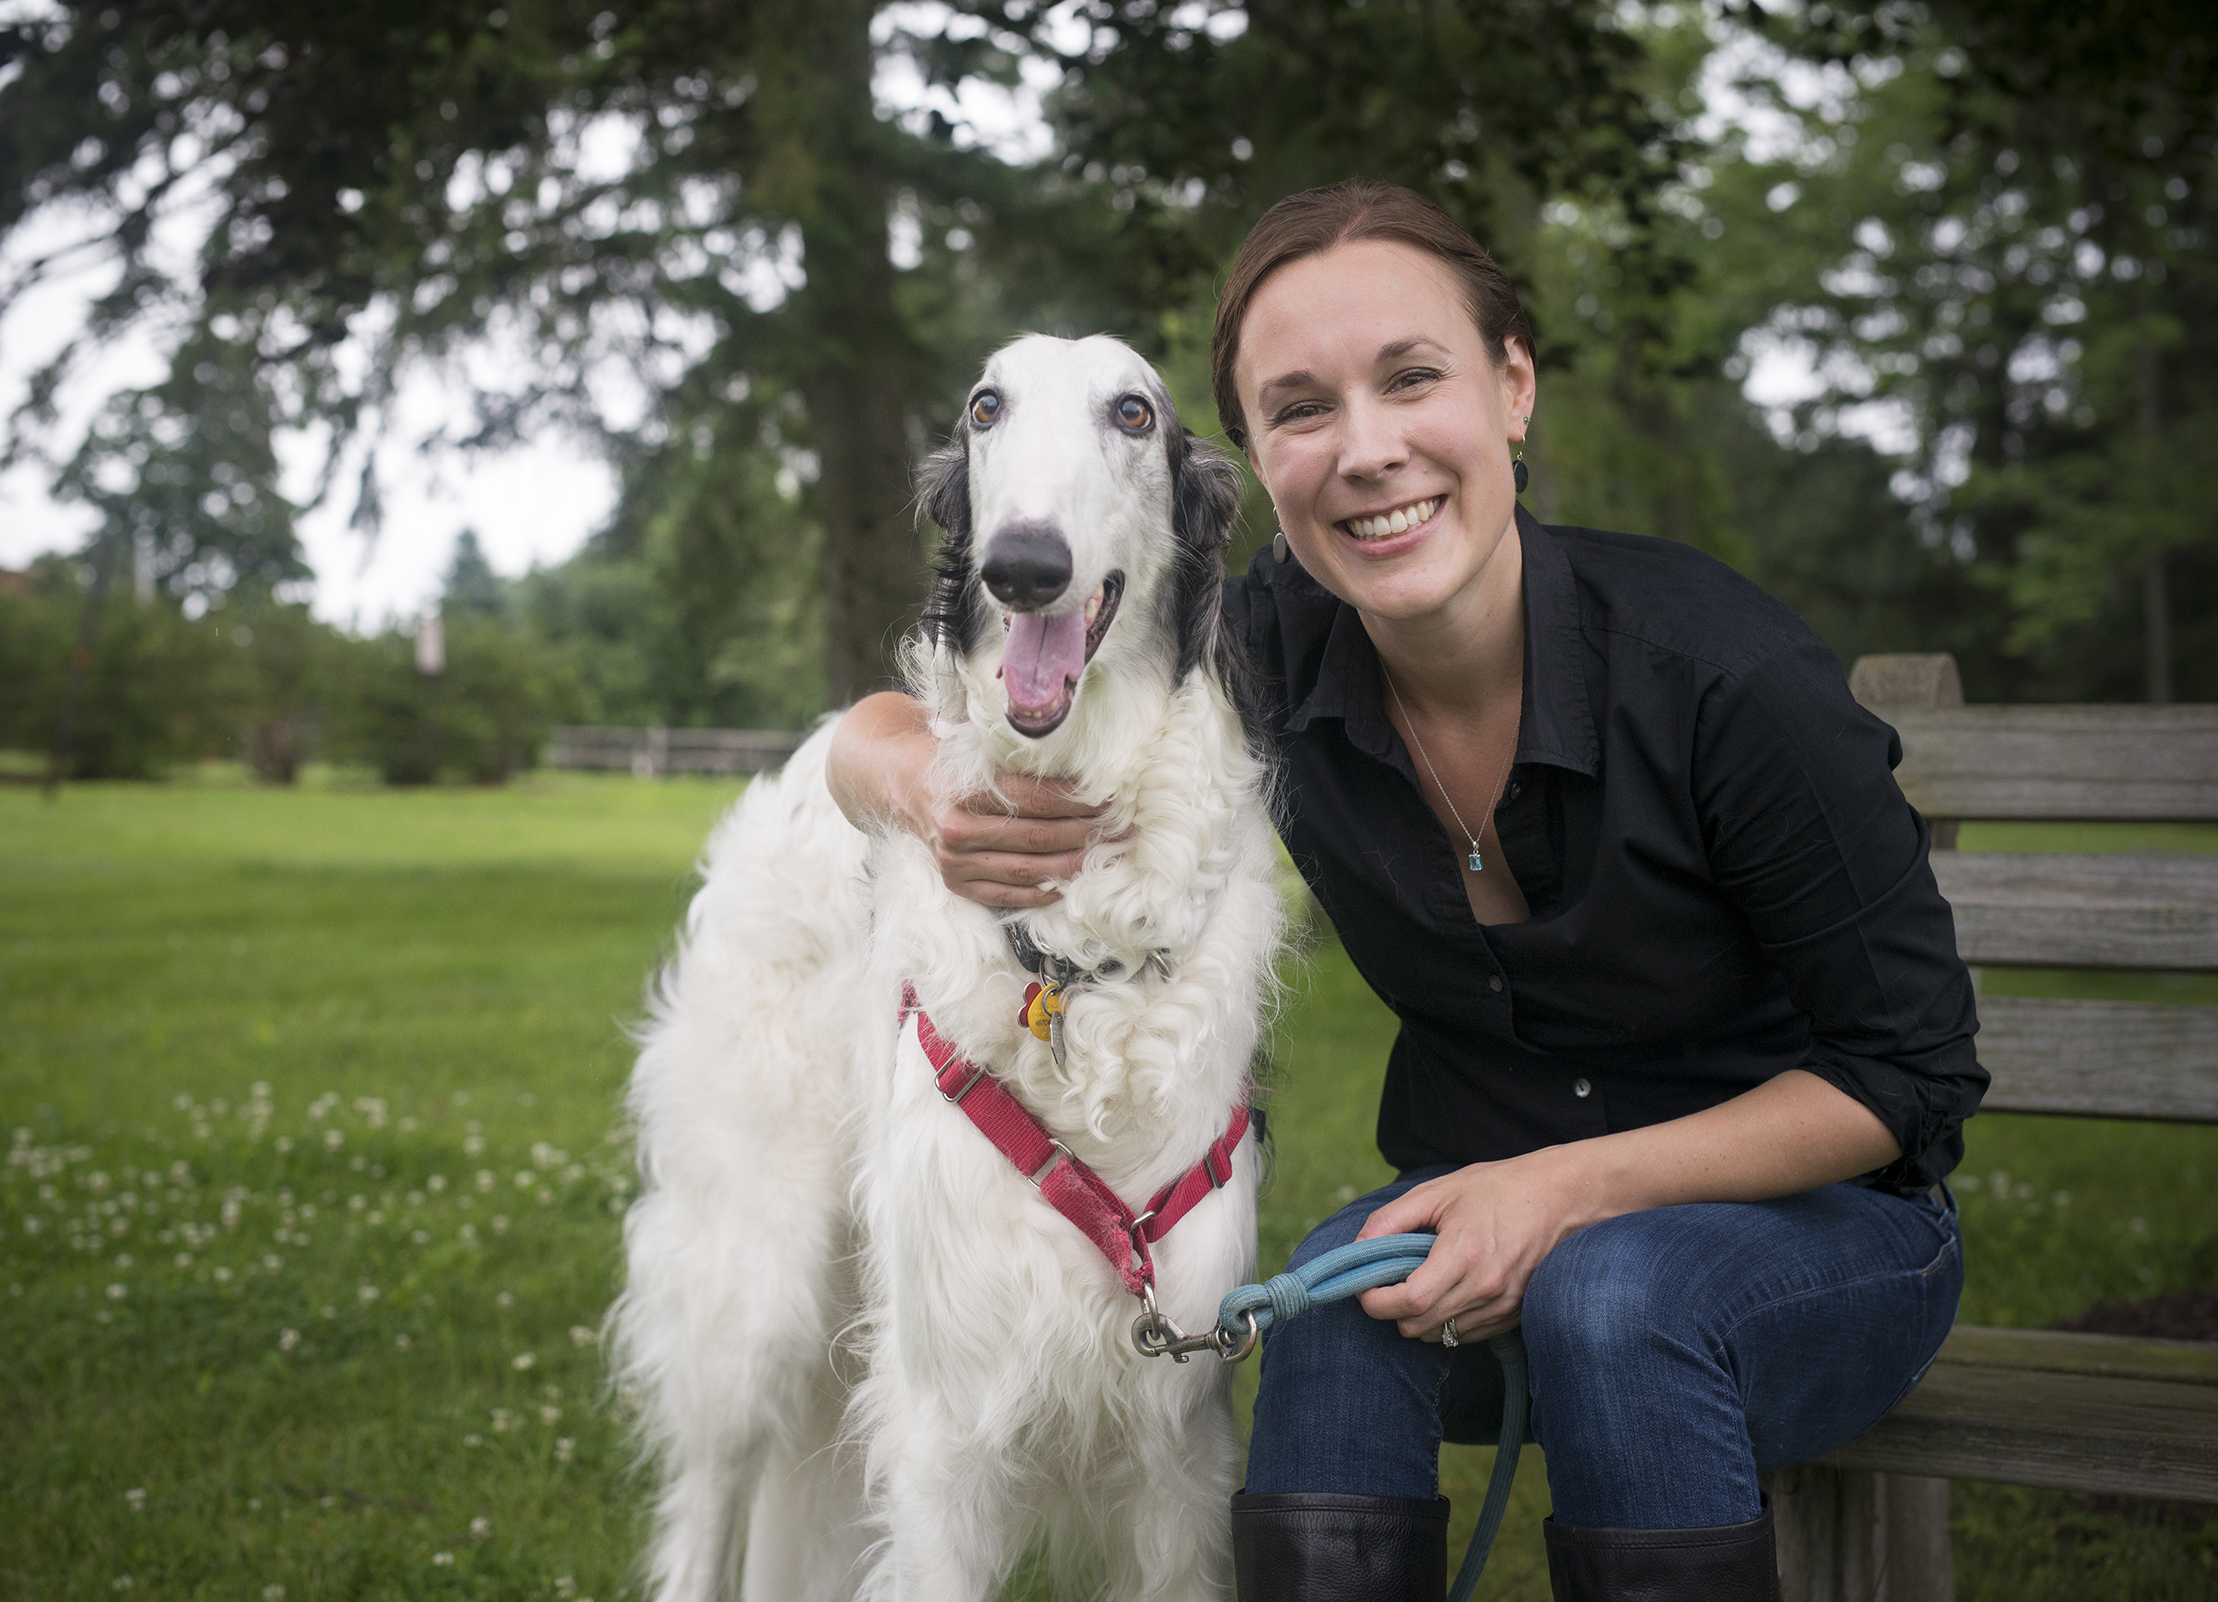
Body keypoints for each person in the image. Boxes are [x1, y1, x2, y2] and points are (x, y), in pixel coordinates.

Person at [825, 180, 1984, 1602]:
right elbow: (902, 713)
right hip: (1478, 1213)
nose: (1365, 451)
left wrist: (1560, 1191)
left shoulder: (1727, 681)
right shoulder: (1261, 653)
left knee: (1613, 1296)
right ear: (1251, 458)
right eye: (1301, 408)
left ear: (1511, 386)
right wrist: (912, 782)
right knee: (1326, 1306)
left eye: (1413, 378)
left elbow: (1911, 1075)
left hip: (1830, 1237)